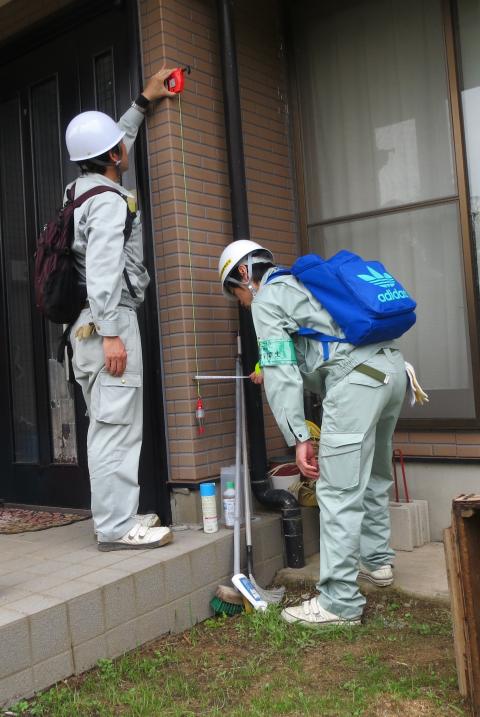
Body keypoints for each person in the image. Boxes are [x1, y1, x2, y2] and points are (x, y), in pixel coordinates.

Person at [218, 239, 408, 626]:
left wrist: (299, 436)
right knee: (373, 474)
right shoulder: (303, 282)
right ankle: (377, 562)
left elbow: (281, 370)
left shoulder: (268, 297)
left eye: (237, 293)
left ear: (243, 274)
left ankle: (338, 603)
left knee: (337, 490)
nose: (242, 302)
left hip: (356, 382)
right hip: (392, 372)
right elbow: (315, 345)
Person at [65, 67, 175, 551]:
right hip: (108, 321)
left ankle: (121, 514)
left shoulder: (80, 191)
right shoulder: (109, 202)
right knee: (115, 430)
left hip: (85, 325)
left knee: (112, 423)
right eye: (118, 145)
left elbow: (114, 145)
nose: (123, 147)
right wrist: (113, 332)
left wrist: (143, 102)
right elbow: (106, 270)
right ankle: (114, 527)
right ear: (112, 156)